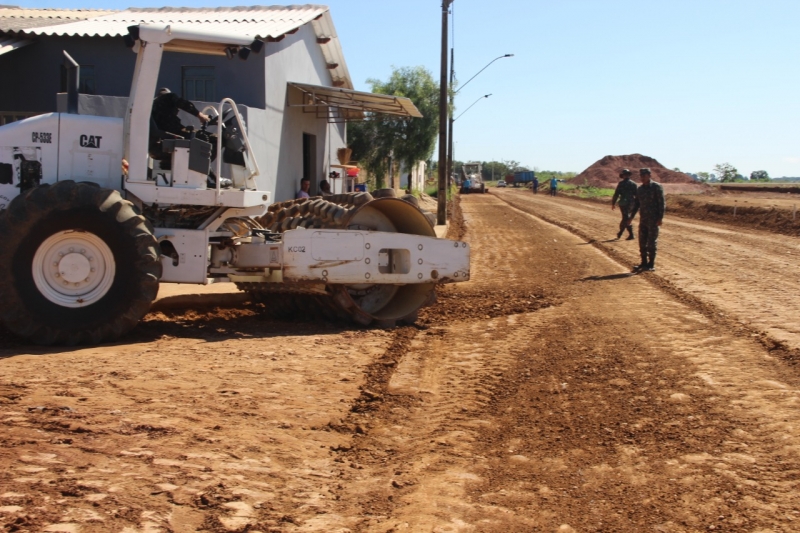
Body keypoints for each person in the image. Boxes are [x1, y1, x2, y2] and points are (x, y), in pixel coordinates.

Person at [629, 168, 665, 272]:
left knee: (651, 243)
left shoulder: (656, 187)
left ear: (649, 175)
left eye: (644, 176)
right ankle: (643, 262)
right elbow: (637, 204)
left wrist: (660, 218)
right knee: (642, 242)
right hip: (643, 219)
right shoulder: (640, 189)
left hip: (653, 220)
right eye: (641, 176)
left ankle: (651, 264)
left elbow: (661, 203)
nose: (642, 178)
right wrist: (631, 217)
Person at [611, 168, 637, 240]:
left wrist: (613, 203)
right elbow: (637, 195)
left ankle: (626, 233)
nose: (625, 176)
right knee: (626, 218)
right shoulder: (633, 184)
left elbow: (616, 194)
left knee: (625, 218)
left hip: (624, 203)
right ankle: (622, 233)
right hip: (631, 203)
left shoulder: (621, 184)